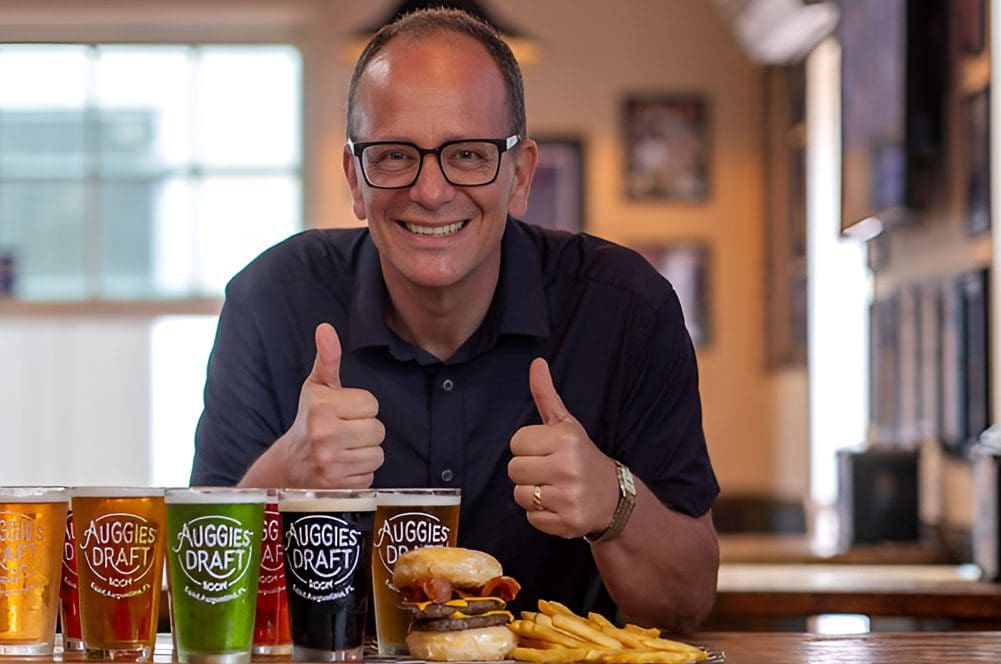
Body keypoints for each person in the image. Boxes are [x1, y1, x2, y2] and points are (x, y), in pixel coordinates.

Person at [191, 7, 719, 633]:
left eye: (468, 155)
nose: (433, 191)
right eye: (392, 157)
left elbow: (686, 604)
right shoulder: (270, 301)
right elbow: (200, 606)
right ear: (355, 180)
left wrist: (613, 501)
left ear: (520, 176)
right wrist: (285, 472)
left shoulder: (625, 309)